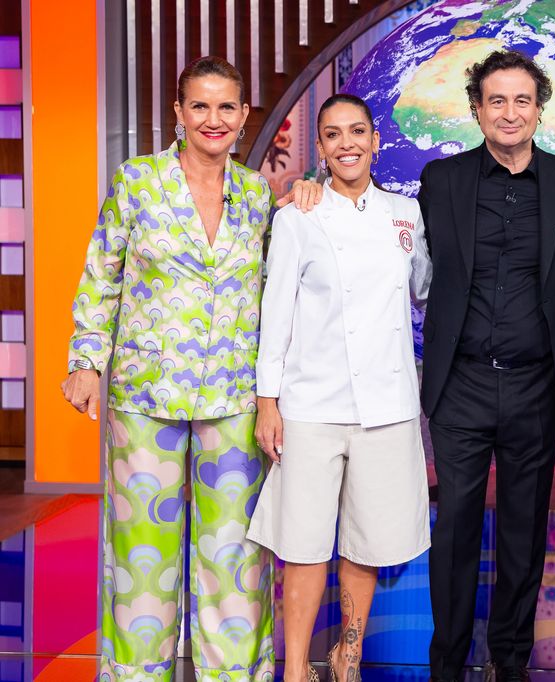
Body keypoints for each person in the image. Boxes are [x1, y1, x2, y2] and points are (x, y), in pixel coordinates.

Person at [62, 56, 279, 681]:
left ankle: (235, 674)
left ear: (243, 117)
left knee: (235, 555)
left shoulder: (257, 195)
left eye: (227, 107)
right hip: (145, 395)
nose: (214, 119)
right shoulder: (136, 182)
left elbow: (276, 288)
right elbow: (102, 277)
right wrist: (86, 361)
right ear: (178, 115)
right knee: (142, 557)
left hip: (236, 398)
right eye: (201, 106)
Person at [417, 50, 555, 682]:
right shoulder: (441, 181)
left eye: (522, 100)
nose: (510, 112)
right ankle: (448, 663)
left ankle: (511, 660)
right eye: (497, 100)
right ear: (476, 110)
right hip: (460, 382)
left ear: (539, 110)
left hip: (534, 385)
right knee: (455, 532)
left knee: (524, 531)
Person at [245, 93, 432, 682]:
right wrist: (268, 402)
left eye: (357, 132)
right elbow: (276, 314)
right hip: (310, 404)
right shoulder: (297, 216)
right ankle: (296, 668)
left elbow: (426, 286)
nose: (347, 143)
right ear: (320, 147)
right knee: (302, 544)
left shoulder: (406, 214)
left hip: (388, 403)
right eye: (333, 134)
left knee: (368, 541)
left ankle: (347, 656)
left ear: (376, 141)